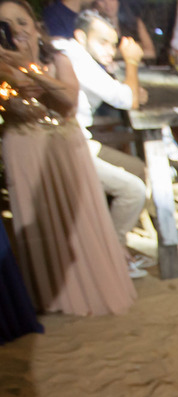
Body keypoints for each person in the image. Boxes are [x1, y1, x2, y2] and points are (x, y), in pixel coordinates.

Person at [0, 0, 134, 316]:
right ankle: (53, 294)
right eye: (5, 25)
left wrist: (28, 67)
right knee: (40, 222)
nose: (16, 30)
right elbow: (12, 103)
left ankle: (93, 282)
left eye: (21, 21)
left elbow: (68, 101)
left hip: (65, 145)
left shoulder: (60, 55)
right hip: (23, 146)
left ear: (34, 24)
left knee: (79, 216)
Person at [60, 9, 151, 277]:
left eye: (113, 44)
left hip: (80, 139)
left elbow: (125, 94)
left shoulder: (80, 55)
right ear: (80, 36)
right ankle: (112, 255)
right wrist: (131, 63)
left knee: (137, 168)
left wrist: (127, 89)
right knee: (133, 190)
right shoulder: (73, 57)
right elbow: (127, 99)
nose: (110, 50)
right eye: (103, 42)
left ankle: (116, 242)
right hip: (66, 146)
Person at [91, 0, 155, 59]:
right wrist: (126, 51)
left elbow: (150, 53)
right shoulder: (94, 26)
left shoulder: (135, 22)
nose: (108, 4)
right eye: (102, 0)